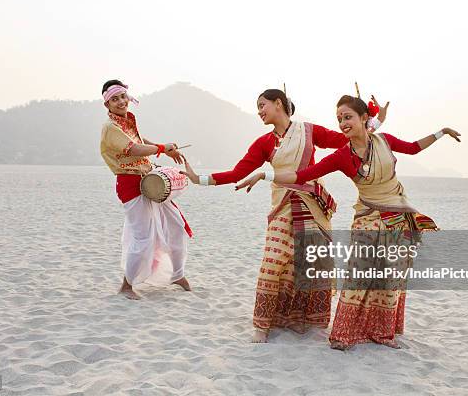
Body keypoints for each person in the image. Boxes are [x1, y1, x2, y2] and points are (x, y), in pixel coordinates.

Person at [237, 94, 461, 349]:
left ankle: (382, 332)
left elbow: (413, 147)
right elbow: (303, 174)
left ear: (364, 118)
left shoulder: (384, 141)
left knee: (390, 275)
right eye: (339, 118)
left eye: (348, 117)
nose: (342, 123)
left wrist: (440, 132)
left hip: (397, 212)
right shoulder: (342, 155)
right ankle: (343, 334)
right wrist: (265, 175)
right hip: (367, 213)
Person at [182, 89, 388, 342]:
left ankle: (304, 319)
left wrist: (374, 119)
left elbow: (347, 137)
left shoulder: (310, 131)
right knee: (274, 260)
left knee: (312, 262)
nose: (259, 111)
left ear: (278, 103)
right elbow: (238, 173)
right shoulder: (264, 143)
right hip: (283, 203)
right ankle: (264, 324)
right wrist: (198, 179)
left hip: (312, 203)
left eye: (262, 105)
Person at [99, 79, 192, 300]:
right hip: (130, 184)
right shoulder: (110, 127)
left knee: (176, 225)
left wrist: (164, 149)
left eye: (123, 97)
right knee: (143, 237)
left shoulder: (127, 121)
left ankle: (177, 274)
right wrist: (161, 148)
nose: (121, 102)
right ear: (107, 104)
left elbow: (140, 140)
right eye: (115, 99)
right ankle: (126, 285)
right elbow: (135, 148)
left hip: (149, 179)